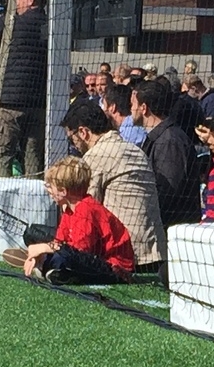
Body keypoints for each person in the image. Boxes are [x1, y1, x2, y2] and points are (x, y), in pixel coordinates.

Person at [64, 97, 162, 266]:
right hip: (156, 252)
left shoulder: (95, 156)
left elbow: (84, 209)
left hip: (126, 256)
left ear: (83, 132)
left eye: (71, 138)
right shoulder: (135, 150)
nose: (73, 144)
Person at [9, 157, 136, 285]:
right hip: (88, 256)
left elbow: (79, 251)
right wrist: (41, 251)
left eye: (50, 187)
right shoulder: (70, 209)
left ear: (63, 191)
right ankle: (46, 263)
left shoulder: (85, 209)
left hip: (115, 269)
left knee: (64, 257)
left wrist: (43, 247)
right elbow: (60, 241)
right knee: (33, 234)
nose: (48, 191)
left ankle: (55, 269)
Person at [0, 0, 48, 175]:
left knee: (1, 154)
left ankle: (4, 199)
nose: (15, 3)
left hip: (10, 101)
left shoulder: (13, 22)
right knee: (33, 156)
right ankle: (33, 197)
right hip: (38, 103)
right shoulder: (50, 26)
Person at [135, 80, 203, 227]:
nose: (130, 109)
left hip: (174, 232)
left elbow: (168, 192)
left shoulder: (169, 141)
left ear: (144, 108)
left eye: (133, 105)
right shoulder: (159, 138)